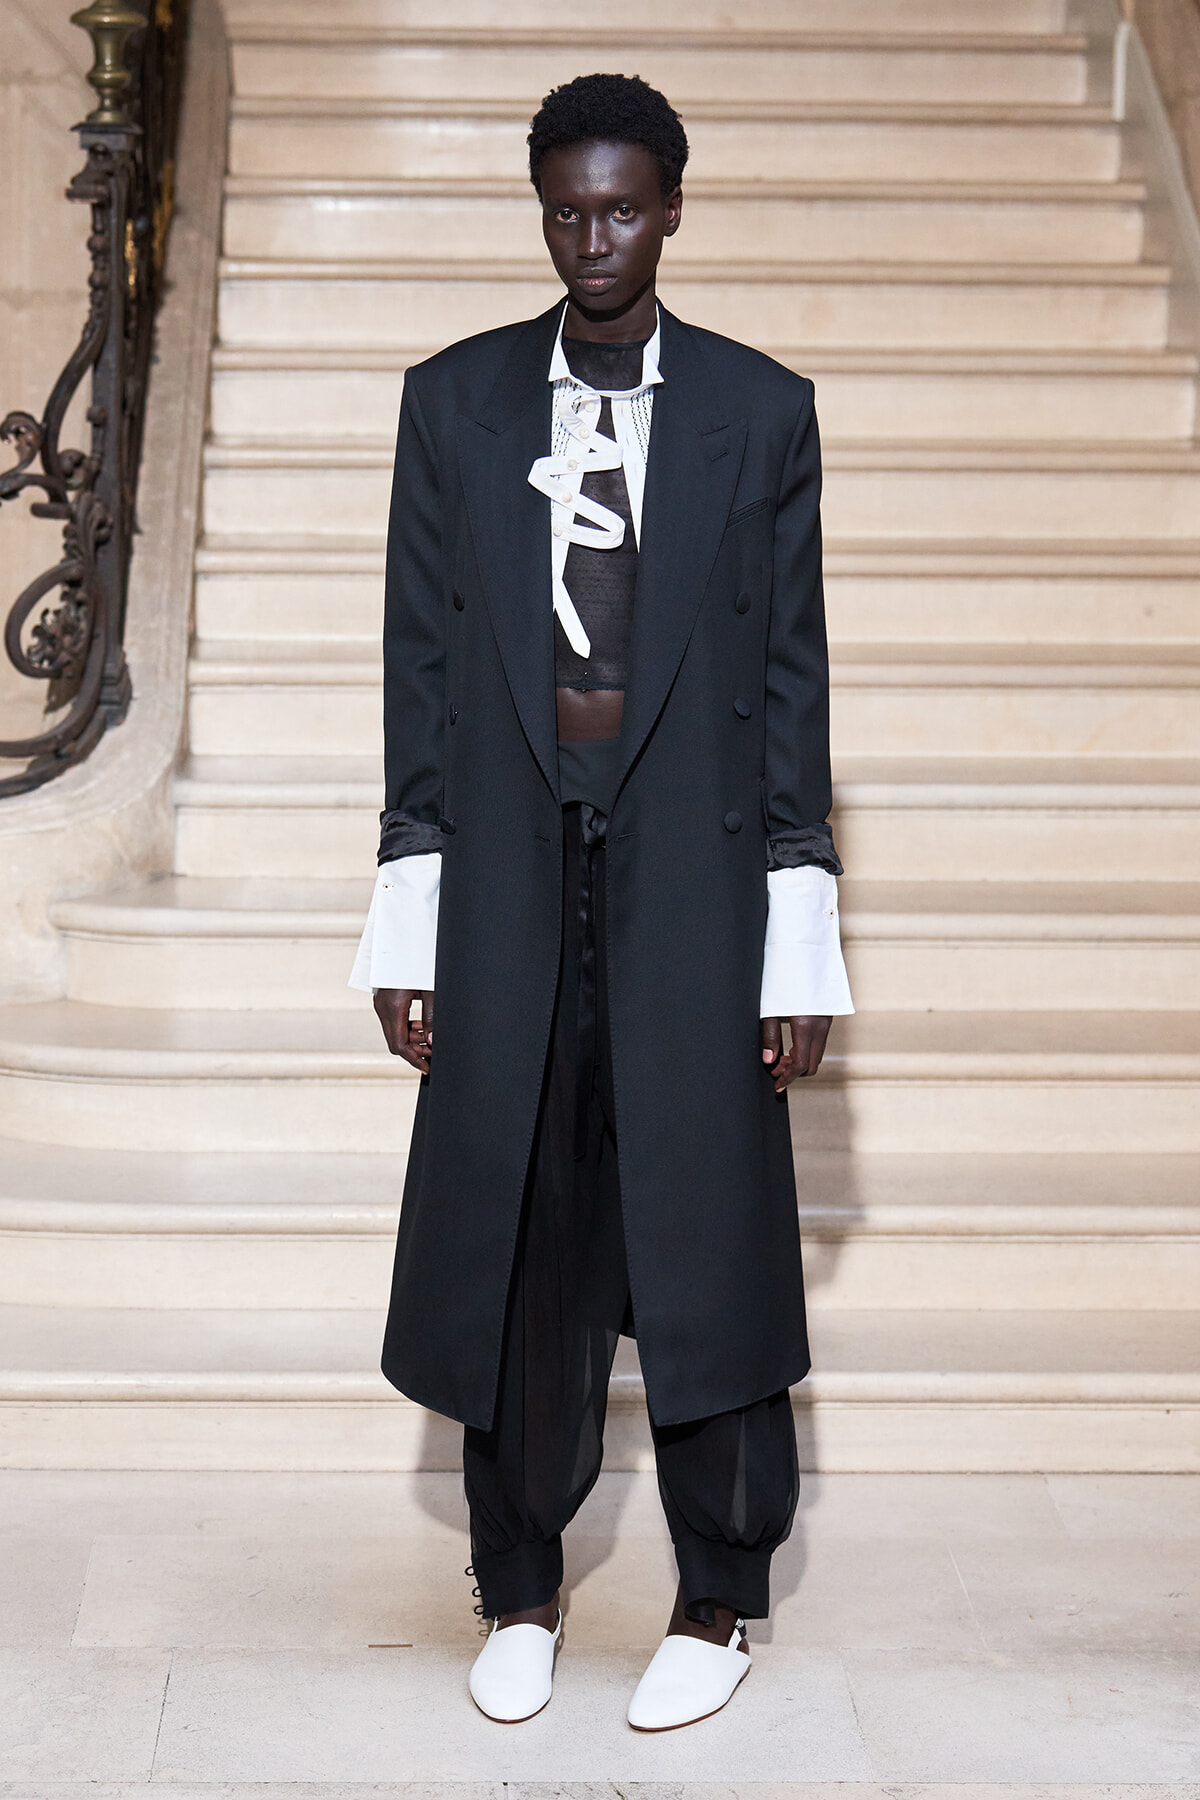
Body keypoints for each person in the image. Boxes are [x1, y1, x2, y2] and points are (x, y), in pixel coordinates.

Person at [350, 71, 853, 1729]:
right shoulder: (460, 403)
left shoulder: (759, 413)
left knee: (703, 1226)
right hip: (506, 868)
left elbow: (791, 688)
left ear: (675, 207)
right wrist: (409, 915)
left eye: (623, 207)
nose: (593, 238)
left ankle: (717, 1595)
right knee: (519, 1222)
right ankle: (518, 1581)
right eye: (566, 208)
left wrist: (799, 936)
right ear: (542, 205)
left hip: (695, 883)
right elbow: (419, 674)